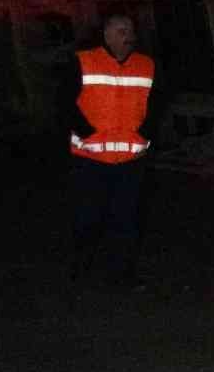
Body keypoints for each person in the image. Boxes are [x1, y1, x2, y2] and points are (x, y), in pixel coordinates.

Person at [62, 14, 163, 290]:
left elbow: (157, 104)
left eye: (130, 31)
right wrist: (86, 131)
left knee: (126, 220)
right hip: (90, 159)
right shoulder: (84, 61)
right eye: (121, 31)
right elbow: (63, 102)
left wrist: (146, 133)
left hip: (131, 161)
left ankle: (123, 275)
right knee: (88, 217)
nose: (127, 36)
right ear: (106, 34)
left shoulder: (146, 65)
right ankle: (81, 267)